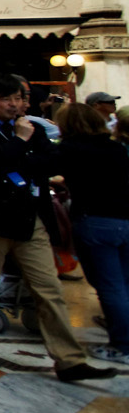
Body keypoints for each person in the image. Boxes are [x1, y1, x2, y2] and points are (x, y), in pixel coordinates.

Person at [0, 74, 117, 382]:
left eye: (18, 98)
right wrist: (19, 143)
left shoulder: (32, 126)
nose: (14, 105)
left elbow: (51, 162)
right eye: (7, 98)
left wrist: (19, 154)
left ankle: (69, 360)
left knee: (49, 288)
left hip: (30, 218)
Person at [57, 102, 129, 364]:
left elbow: (47, 168)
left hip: (95, 220)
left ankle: (122, 345)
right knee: (124, 283)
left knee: (109, 286)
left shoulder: (72, 149)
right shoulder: (116, 148)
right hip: (124, 218)